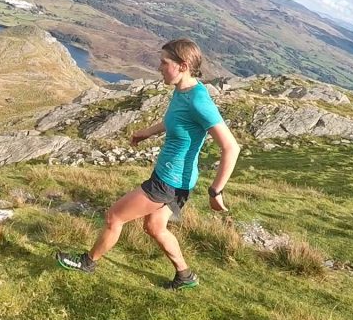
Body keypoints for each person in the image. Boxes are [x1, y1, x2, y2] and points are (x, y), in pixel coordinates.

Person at [55, 38, 241, 289]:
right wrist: (147, 132)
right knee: (155, 227)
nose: (159, 67)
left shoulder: (199, 100)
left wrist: (215, 190)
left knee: (114, 217)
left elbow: (231, 147)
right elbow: (176, 121)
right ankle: (185, 276)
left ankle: (87, 263)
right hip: (179, 182)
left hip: (168, 181)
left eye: (164, 63)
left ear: (183, 65)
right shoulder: (184, 90)